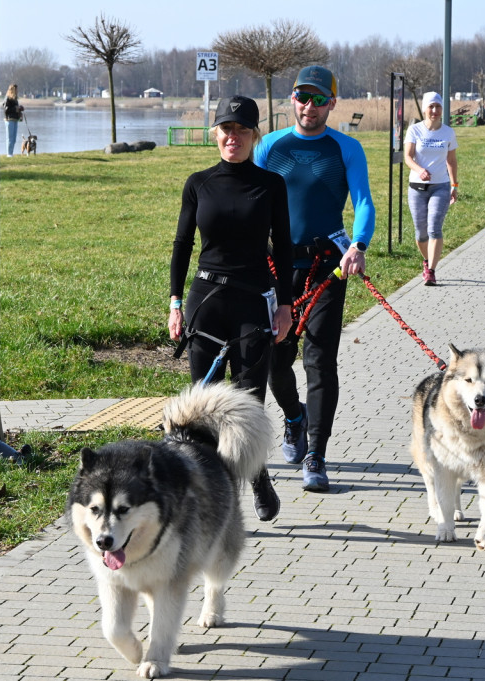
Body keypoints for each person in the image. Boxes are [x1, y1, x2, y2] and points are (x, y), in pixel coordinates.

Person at [170, 96, 294, 521]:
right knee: (203, 408)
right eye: (225, 129)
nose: (232, 137)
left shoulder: (271, 184)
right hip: (206, 300)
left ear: (253, 135)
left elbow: (285, 247)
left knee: (248, 402)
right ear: (215, 134)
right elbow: (183, 244)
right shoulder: (198, 183)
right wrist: (174, 304)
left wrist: (286, 305)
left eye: (241, 130)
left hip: (253, 300)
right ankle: (207, 500)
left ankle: (256, 476)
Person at [254, 65, 375, 493]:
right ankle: (294, 417)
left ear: (332, 103)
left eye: (319, 99)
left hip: (328, 264)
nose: (310, 106)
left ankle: (316, 454)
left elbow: (363, 202)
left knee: (319, 359)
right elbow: (250, 200)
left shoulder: (346, 148)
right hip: (276, 268)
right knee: (274, 356)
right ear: (292, 100)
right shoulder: (269, 146)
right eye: (303, 97)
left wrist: (358, 245)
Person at [404, 91, 459, 286]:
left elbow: (451, 160)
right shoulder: (415, 130)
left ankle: (432, 271)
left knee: (434, 228)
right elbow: (408, 157)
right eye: (431, 107)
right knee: (421, 233)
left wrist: (454, 185)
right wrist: (419, 170)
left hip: (440, 187)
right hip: (417, 188)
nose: (434, 111)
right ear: (425, 108)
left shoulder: (448, 132)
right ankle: (426, 261)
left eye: (438, 107)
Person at [2, 83, 23, 158]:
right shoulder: (8, 98)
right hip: (9, 119)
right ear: (13, 90)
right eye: (16, 89)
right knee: (10, 138)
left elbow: (15, 109)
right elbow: (6, 109)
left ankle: (11, 153)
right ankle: (9, 154)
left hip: (15, 119)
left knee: (14, 138)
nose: (17, 91)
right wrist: (16, 109)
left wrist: (19, 112)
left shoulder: (15, 99)